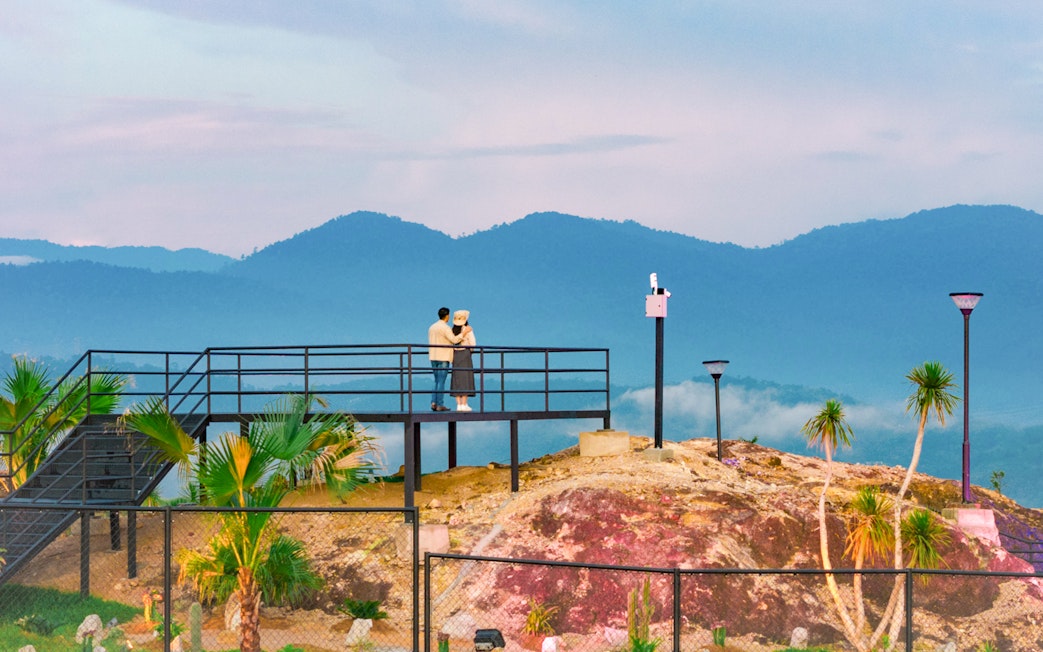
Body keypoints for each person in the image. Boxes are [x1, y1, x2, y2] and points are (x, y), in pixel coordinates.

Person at [428, 307, 470, 411]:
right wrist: (464, 333)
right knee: (441, 381)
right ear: (447, 316)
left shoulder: (432, 327)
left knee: (436, 380)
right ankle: (440, 404)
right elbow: (454, 340)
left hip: (433, 356)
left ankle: (433, 402)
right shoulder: (445, 328)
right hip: (443, 357)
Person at [449, 310, 477, 411]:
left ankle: (458, 404)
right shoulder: (467, 329)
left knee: (457, 378)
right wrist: (470, 351)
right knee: (466, 377)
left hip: (455, 354)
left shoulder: (451, 330)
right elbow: (473, 344)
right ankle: (464, 404)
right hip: (465, 354)